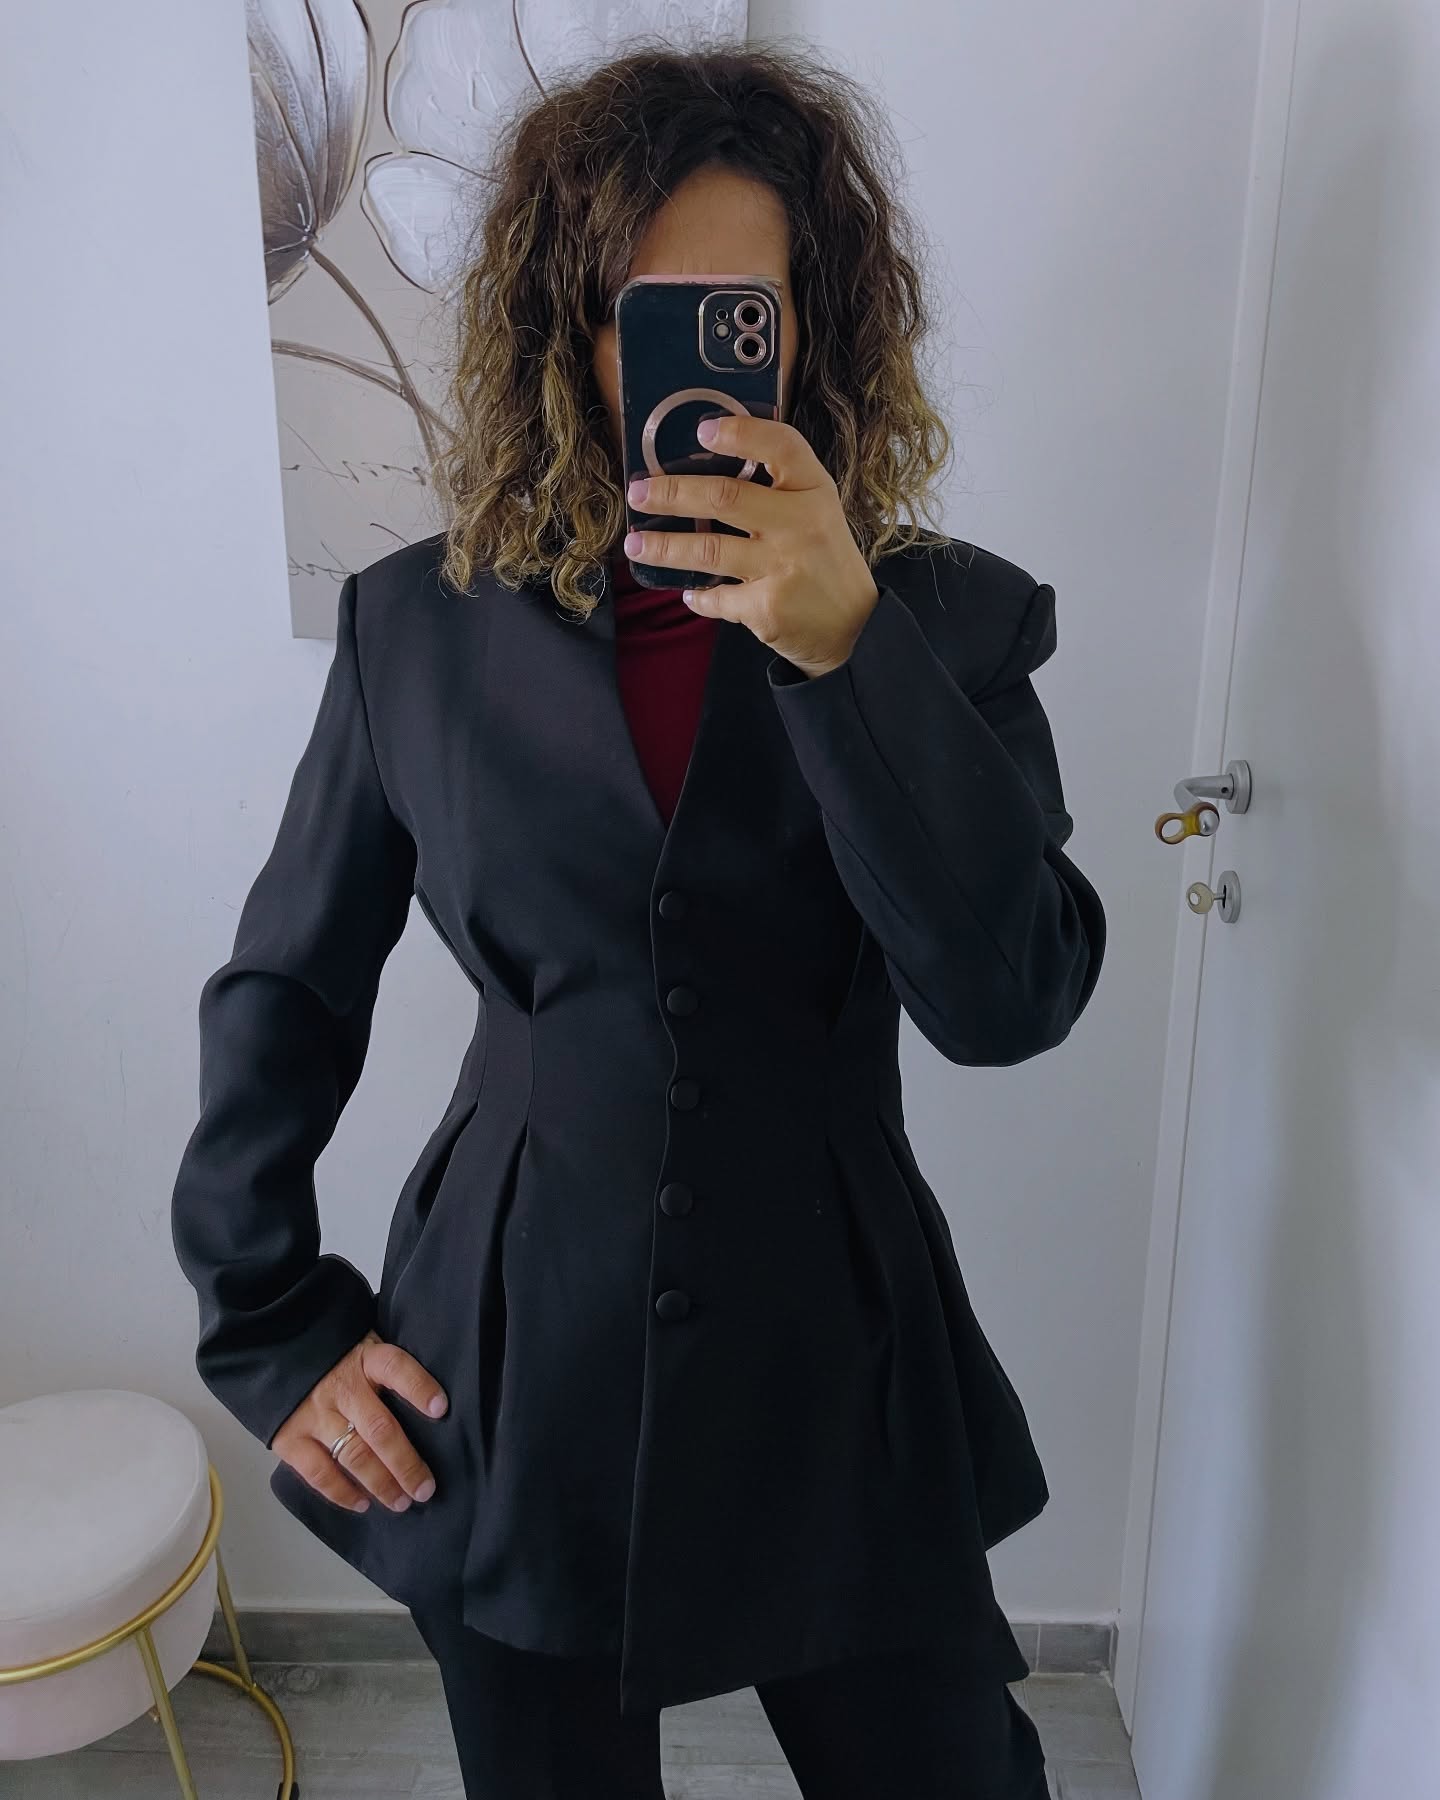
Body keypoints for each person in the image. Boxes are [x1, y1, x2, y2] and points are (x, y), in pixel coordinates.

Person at [171, 40, 1104, 1799]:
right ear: (565, 328)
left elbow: (1010, 999)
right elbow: (284, 994)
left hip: (838, 1359)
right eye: (636, 314)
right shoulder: (418, 629)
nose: (684, 365)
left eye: (738, 315)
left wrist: (845, 656)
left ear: (812, 326)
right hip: (516, 1365)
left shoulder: (945, 624)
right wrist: (272, 1326)